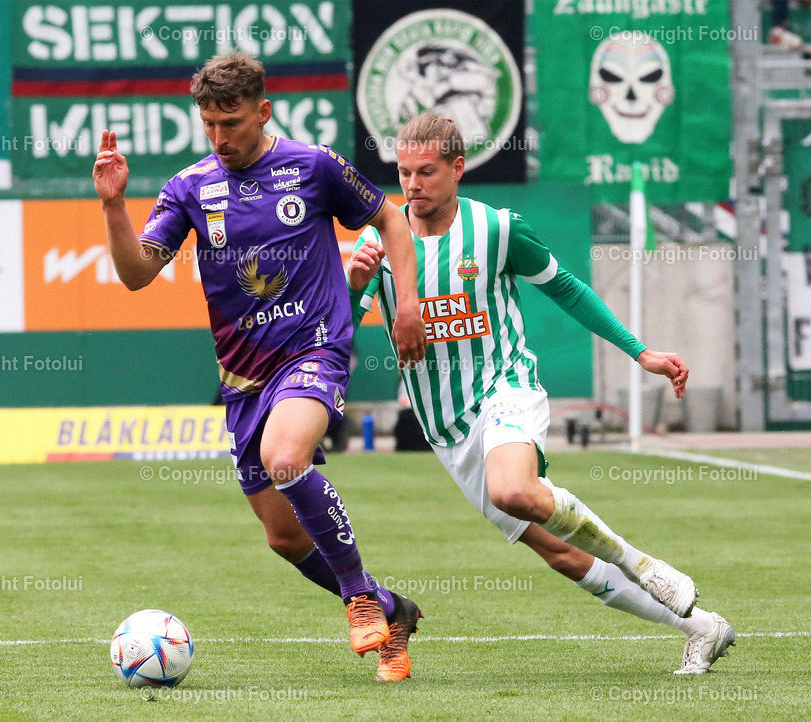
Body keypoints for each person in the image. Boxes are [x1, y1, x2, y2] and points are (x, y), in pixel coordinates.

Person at [347, 113, 736, 674]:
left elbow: (567, 289)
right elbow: (335, 328)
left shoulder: (497, 230)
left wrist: (640, 351)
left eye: (426, 172)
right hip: (447, 430)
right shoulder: (378, 242)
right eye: (404, 173)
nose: (413, 185)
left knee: (513, 490)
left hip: (506, 387)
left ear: (458, 168)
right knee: (559, 550)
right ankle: (703, 627)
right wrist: (356, 286)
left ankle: (644, 563)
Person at [93, 52, 427, 682]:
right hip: (244, 379)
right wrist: (113, 205)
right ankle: (392, 609)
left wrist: (404, 305)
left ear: (263, 111)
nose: (221, 137)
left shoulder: (314, 165)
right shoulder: (190, 188)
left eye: (233, 123)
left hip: (314, 349)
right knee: (285, 538)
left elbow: (388, 216)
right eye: (209, 125)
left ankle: (358, 597)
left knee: (285, 456)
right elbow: (137, 274)